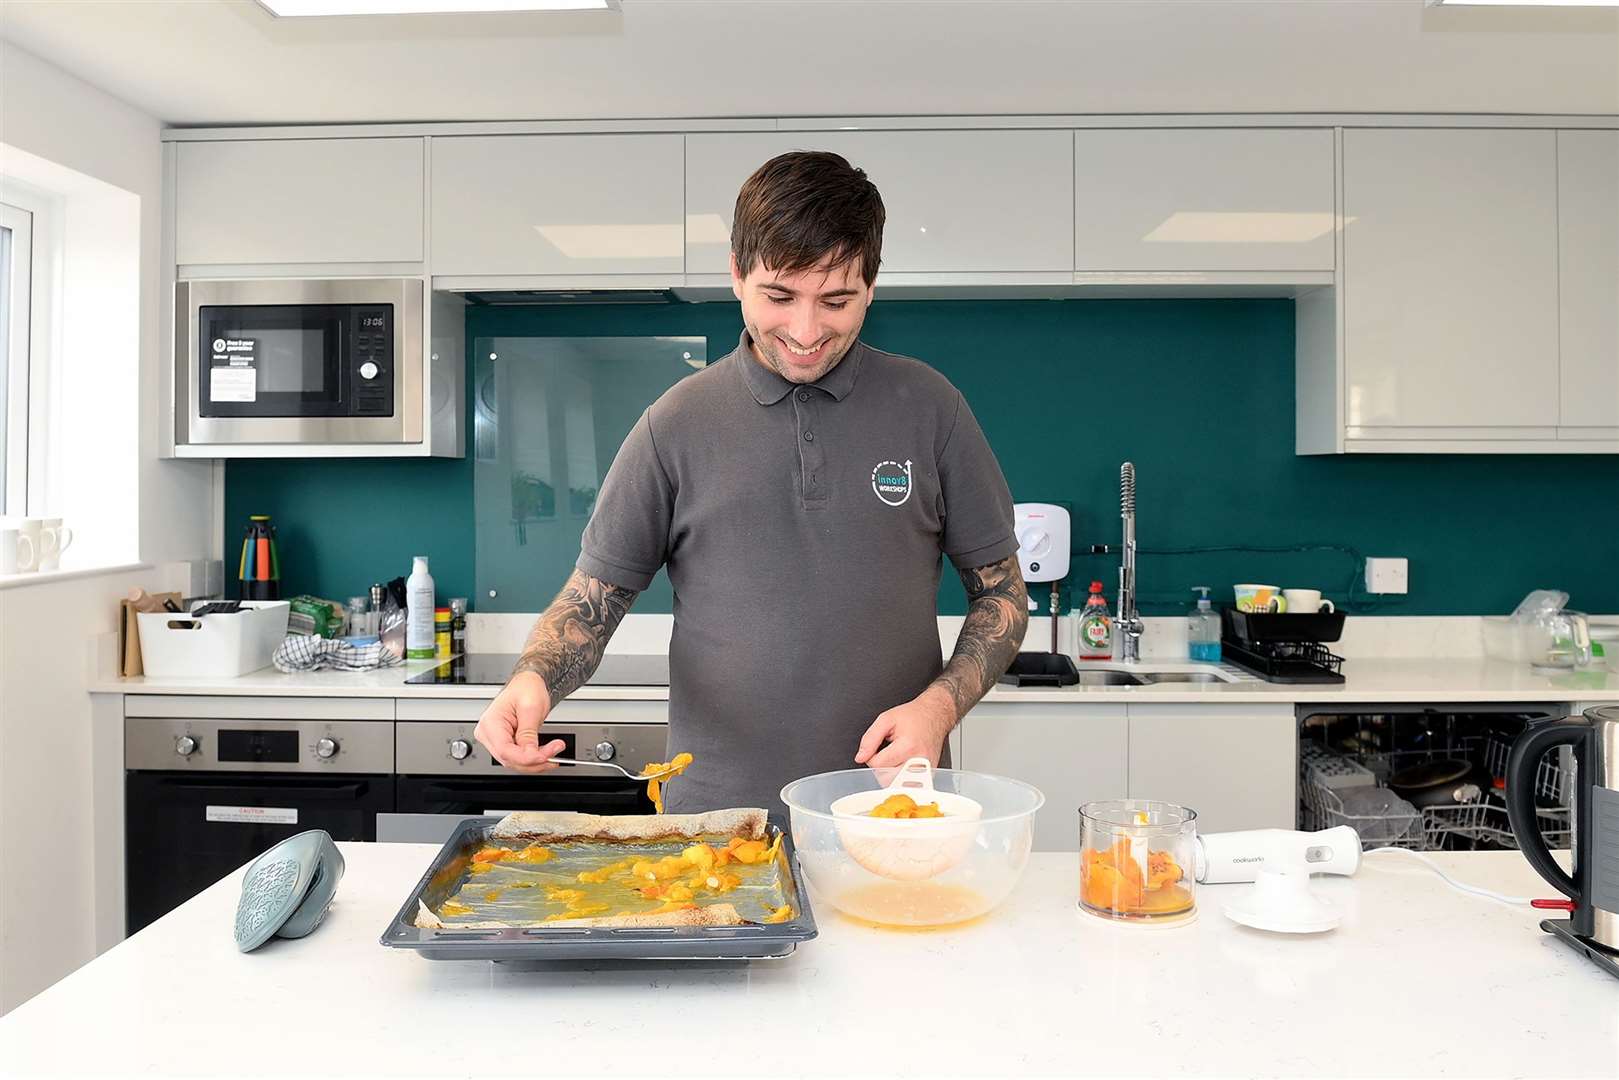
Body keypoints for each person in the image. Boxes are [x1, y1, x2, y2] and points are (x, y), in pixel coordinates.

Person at [474, 150, 1028, 816]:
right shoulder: (672, 424)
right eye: (779, 296)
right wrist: (530, 681)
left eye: (836, 300)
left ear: (871, 287)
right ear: (737, 274)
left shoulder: (931, 408)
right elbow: (594, 600)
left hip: (890, 814)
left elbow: (1000, 594)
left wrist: (938, 708)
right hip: (710, 820)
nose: (804, 330)